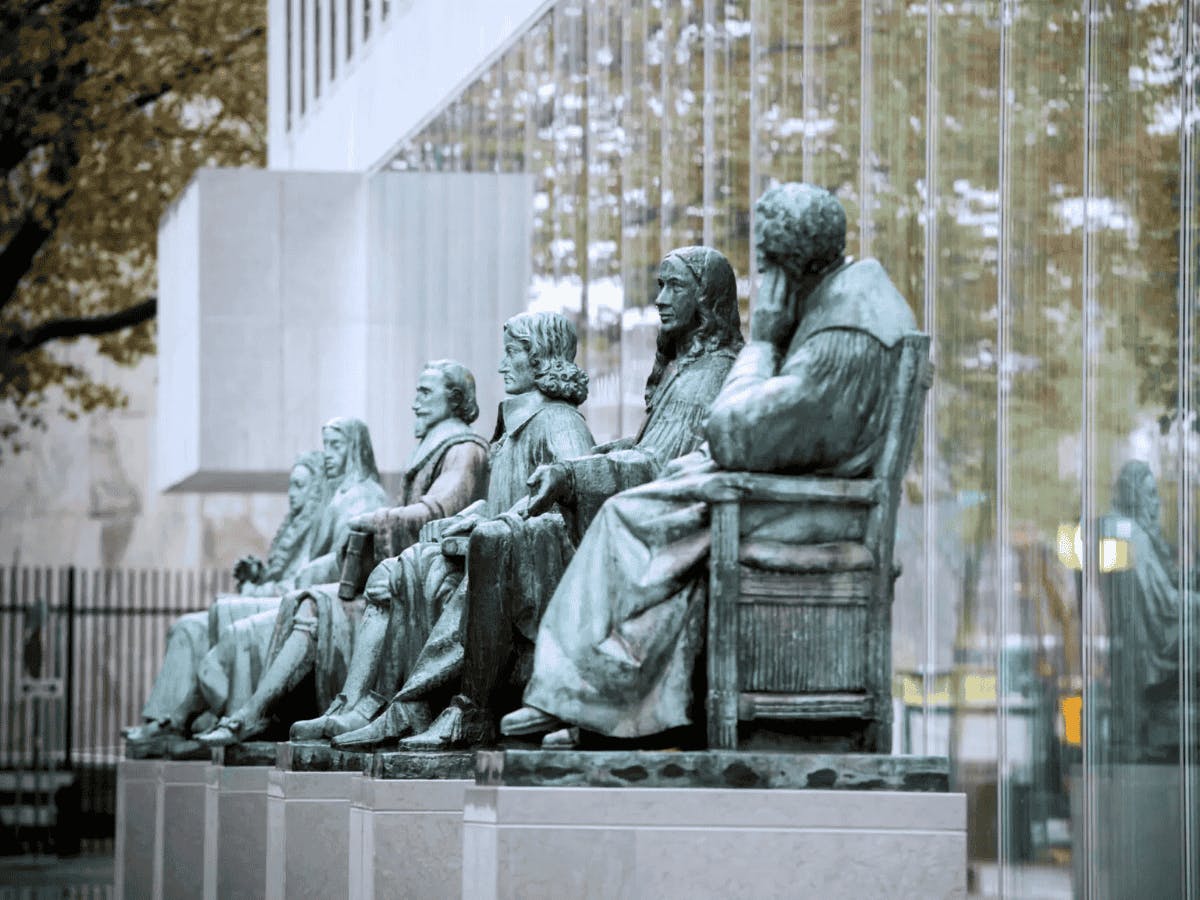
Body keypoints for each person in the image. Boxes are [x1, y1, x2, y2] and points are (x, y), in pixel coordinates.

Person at [501, 183, 920, 746]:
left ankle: (585, 693)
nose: (765, 284)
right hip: (783, 495)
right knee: (654, 513)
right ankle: (607, 702)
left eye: (769, 265)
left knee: (628, 517)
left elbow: (732, 430)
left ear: (794, 264)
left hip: (811, 513)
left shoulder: (847, 329)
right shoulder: (845, 307)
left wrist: (765, 343)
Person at [355, 246, 745, 750]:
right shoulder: (680, 372)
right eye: (659, 286)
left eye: (675, 287)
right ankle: (405, 703)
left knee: (496, 542)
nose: (660, 300)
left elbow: (662, 468)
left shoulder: (707, 376)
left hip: (655, 530)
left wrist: (570, 475)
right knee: (435, 562)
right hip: (632, 518)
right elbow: (642, 450)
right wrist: (579, 469)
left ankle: (464, 709)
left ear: (708, 297)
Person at [200, 312, 594, 746]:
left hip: (528, 566)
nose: (501, 365)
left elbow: (574, 495)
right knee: (394, 572)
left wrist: (490, 522)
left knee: (434, 575)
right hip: (494, 550)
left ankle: (415, 707)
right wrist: (472, 515)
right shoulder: (509, 432)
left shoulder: (557, 421)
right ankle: (362, 703)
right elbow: (501, 500)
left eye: (512, 353)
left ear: (540, 358)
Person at [193, 417, 392, 745]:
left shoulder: (364, 496)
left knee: (241, 631)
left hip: (340, 599)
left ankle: (247, 718)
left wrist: (304, 574)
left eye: (337, 445)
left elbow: (350, 562)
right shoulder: (339, 497)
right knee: (227, 620)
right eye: (326, 445)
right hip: (313, 593)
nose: (329, 453)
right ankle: (236, 716)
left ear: (355, 449)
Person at [121, 450, 330, 751]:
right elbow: (281, 576)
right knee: (187, 627)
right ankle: (165, 721)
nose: (293, 495)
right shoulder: (293, 527)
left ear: (317, 489)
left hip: (289, 609)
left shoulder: (322, 525)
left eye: (300, 486)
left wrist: (256, 590)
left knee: (228, 619)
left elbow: (305, 583)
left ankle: (205, 716)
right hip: (267, 600)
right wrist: (257, 576)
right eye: (291, 486)